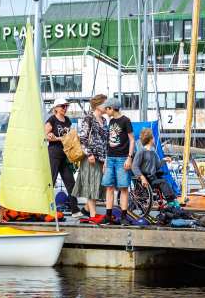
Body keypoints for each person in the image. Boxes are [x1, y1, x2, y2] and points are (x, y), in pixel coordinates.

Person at [72, 94, 108, 218]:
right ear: (98, 105)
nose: (107, 106)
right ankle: (93, 215)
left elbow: (105, 140)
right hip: (91, 158)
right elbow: (83, 138)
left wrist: (106, 158)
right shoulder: (89, 118)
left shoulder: (104, 120)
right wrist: (89, 154)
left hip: (101, 158)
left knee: (98, 186)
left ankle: (86, 210)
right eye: (105, 104)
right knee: (92, 185)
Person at [101, 97, 135, 225]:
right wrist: (106, 160)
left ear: (112, 108)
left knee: (123, 188)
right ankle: (108, 216)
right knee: (109, 187)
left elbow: (132, 140)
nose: (105, 111)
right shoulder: (111, 121)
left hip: (122, 158)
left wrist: (129, 158)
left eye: (107, 108)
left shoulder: (126, 120)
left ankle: (124, 217)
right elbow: (108, 143)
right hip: (110, 158)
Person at [45, 98, 80, 217]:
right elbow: (45, 135)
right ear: (56, 108)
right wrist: (51, 136)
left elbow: (70, 137)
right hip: (54, 154)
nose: (65, 108)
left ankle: (75, 209)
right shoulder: (52, 120)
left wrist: (59, 138)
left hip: (65, 155)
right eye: (62, 106)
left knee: (71, 182)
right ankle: (46, 209)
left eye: (66, 106)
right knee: (51, 180)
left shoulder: (67, 120)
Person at [131, 127, 177, 205]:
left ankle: (172, 201)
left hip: (152, 177)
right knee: (163, 182)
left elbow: (157, 166)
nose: (154, 139)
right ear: (151, 139)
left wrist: (164, 160)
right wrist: (142, 178)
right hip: (146, 179)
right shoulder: (141, 151)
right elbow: (134, 166)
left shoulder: (153, 151)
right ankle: (171, 202)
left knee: (164, 180)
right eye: (153, 137)